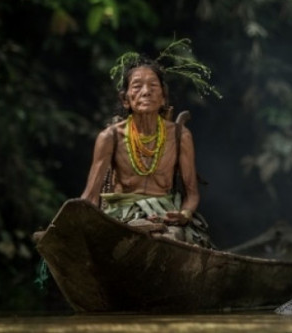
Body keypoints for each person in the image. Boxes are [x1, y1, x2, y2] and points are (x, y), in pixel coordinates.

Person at [80, 56, 213, 248]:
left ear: (163, 98)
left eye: (153, 86)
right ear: (125, 100)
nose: (146, 92)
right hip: (121, 217)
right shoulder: (110, 137)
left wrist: (183, 215)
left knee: (172, 241)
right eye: (137, 86)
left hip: (164, 217)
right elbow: (90, 197)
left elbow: (192, 195)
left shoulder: (179, 136)